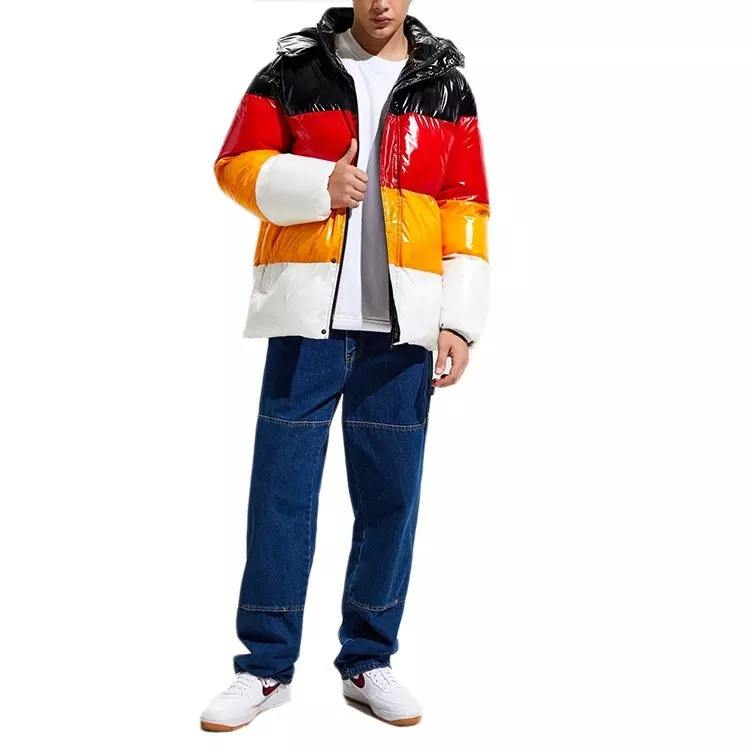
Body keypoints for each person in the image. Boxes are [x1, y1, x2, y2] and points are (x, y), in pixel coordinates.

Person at [201, 0, 490, 730]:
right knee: (280, 494)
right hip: (307, 321)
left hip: (403, 328)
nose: (381, 4)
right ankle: (264, 668)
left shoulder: (445, 86)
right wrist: (314, 187)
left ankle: (368, 659)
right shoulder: (294, 73)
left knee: (391, 500)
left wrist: (459, 319)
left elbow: (465, 203)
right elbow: (234, 166)